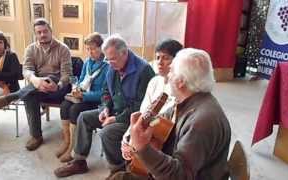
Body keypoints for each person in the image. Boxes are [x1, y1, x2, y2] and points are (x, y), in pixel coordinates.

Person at [111, 48, 232, 180]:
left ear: (181, 82)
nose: (168, 76)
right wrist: (144, 124)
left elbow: (179, 176)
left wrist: (142, 147)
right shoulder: (192, 102)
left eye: (172, 71)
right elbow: (161, 119)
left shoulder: (201, 122)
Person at [53, 34, 155, 178]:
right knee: (84, 117)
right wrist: (105, 108)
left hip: (133, 118)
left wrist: (114, 119)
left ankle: (117, 171)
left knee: (107, 132)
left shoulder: (144, 70)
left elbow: (141, 106)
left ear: (124, 53)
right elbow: (106, 92)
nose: (109, 63)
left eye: (112, 59)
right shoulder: (113, 66)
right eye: (107, 58)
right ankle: (79, 161)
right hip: (114, 110)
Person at [0, 18, 72, 150]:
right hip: (37, 88)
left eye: (45, 31)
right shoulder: (30, 49)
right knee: (29, 96)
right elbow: (26, 70)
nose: (42, 35)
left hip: (59, 88)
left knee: (50, 77)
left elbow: (67, 74)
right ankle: (36, 136)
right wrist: (35, 80)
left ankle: (13, 97)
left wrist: (59, 85)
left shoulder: (63, 49)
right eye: (38, 32)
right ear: (35, 34)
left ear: (51, 31)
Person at [56, 32, 109, 162]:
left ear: (101, 48)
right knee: (64, 106)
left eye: (93, 49)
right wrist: (76, 89)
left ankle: (73, 149)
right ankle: (67, 142)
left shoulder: (107, 66)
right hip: (83, 94)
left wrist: (83, 96)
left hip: (97, 101)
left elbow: (104, 93)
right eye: (87, 49)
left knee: (75, 110)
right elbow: (81, 79)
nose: (90, 52)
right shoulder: (88, 62)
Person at [121, 39, 183, 145]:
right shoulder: (154, 82)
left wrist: (142, 131)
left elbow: (167, 121)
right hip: (148, 127)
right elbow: (143, 113)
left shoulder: (180, 86)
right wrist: (128, 136)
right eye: (158, 57)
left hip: (166, 134)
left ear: (177, 61)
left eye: (166, 58)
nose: (160, 62)